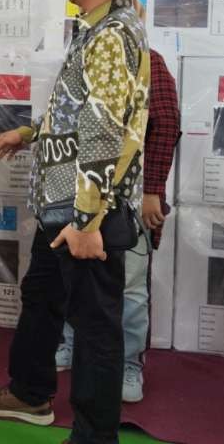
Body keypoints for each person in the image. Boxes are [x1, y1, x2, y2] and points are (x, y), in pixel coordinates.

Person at [0, 0, 149, 444]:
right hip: (62, 208)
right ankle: (29, 392)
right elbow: (78, 111)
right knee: (41, 295)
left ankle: (94, 436)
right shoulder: (99, 26)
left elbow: (103, 132)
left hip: (83, 214)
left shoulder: (113, 35)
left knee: (94, 328)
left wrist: (88, 221)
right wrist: (29, 132)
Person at [55, 46, 180, 403]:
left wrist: (153, 189)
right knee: (74, 274)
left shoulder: (147, 59)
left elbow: (167, 121)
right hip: (80, 189)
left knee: (130, 286)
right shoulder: (81, 58)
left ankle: (129, 364)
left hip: (129, 192)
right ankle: (73, 342)